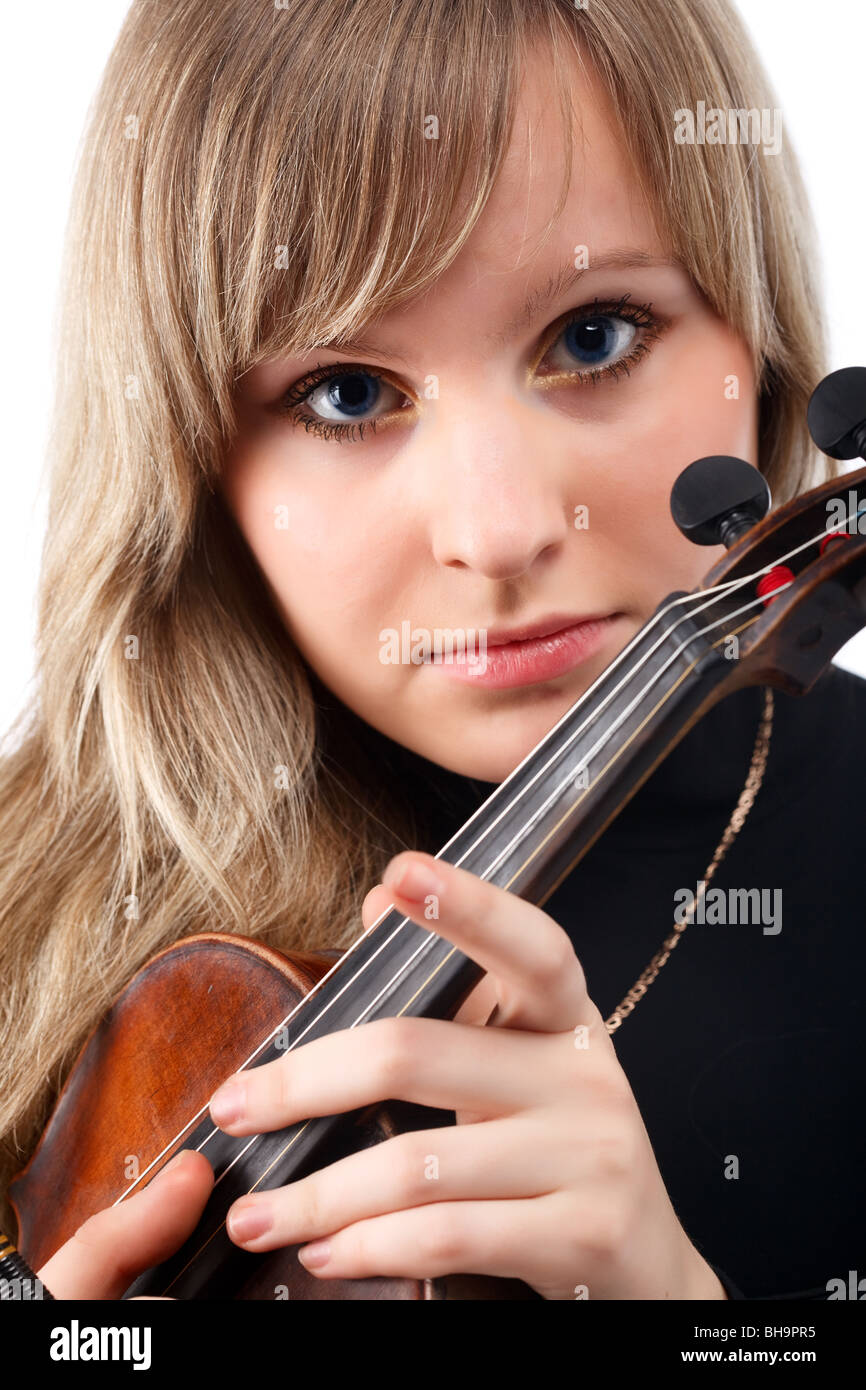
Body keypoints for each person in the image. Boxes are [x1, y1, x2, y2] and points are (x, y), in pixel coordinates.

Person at [1, 0, 862, 1302]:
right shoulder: (30, 893)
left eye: (594, 336)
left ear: (756, 342)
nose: (502, 528)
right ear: (194, 465)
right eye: (346, 392)